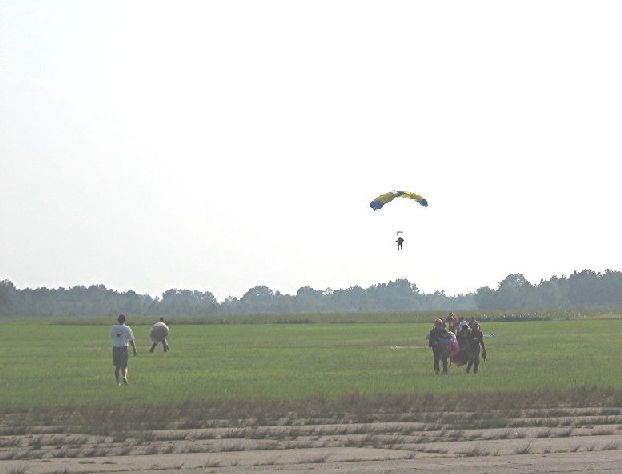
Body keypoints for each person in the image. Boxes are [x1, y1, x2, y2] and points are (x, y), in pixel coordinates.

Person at [111, 313, 137, 386]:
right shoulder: (127, 328)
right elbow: (131, 339)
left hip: (115, 348)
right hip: (124, 347)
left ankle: (118, 382)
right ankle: (124, 377)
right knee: (124, 365)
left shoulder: (113, 327)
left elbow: (112, 336)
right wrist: (134, 348)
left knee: (117, 367)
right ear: (125, 320)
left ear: (118, 320)